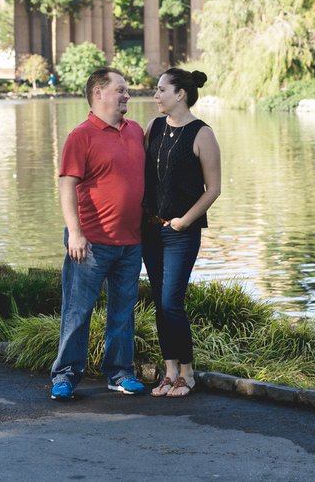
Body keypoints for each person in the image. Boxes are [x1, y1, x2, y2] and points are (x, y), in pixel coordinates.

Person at [50, 67, 146, 400]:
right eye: (120, 89)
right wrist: (75, 233)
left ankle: (119, 373)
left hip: (131, 243)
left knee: (123, 312)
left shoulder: (135, 131)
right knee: (77, 313)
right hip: (89, 243)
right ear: (98, 93)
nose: (127, 95)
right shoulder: (81, 135)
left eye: (127, 90)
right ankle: (64, 375)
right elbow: (67, 186)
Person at [142, 68, 221, 398]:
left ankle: (187, 372)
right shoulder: (154, 127)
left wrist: (184, 221)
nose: (156, 95)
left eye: (161, 90)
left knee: (172, 302)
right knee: (159, 302)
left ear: (180, 95)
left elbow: (213, 189)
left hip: (180, 232)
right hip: (150, 229)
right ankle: (169, 369)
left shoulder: (202, 133)